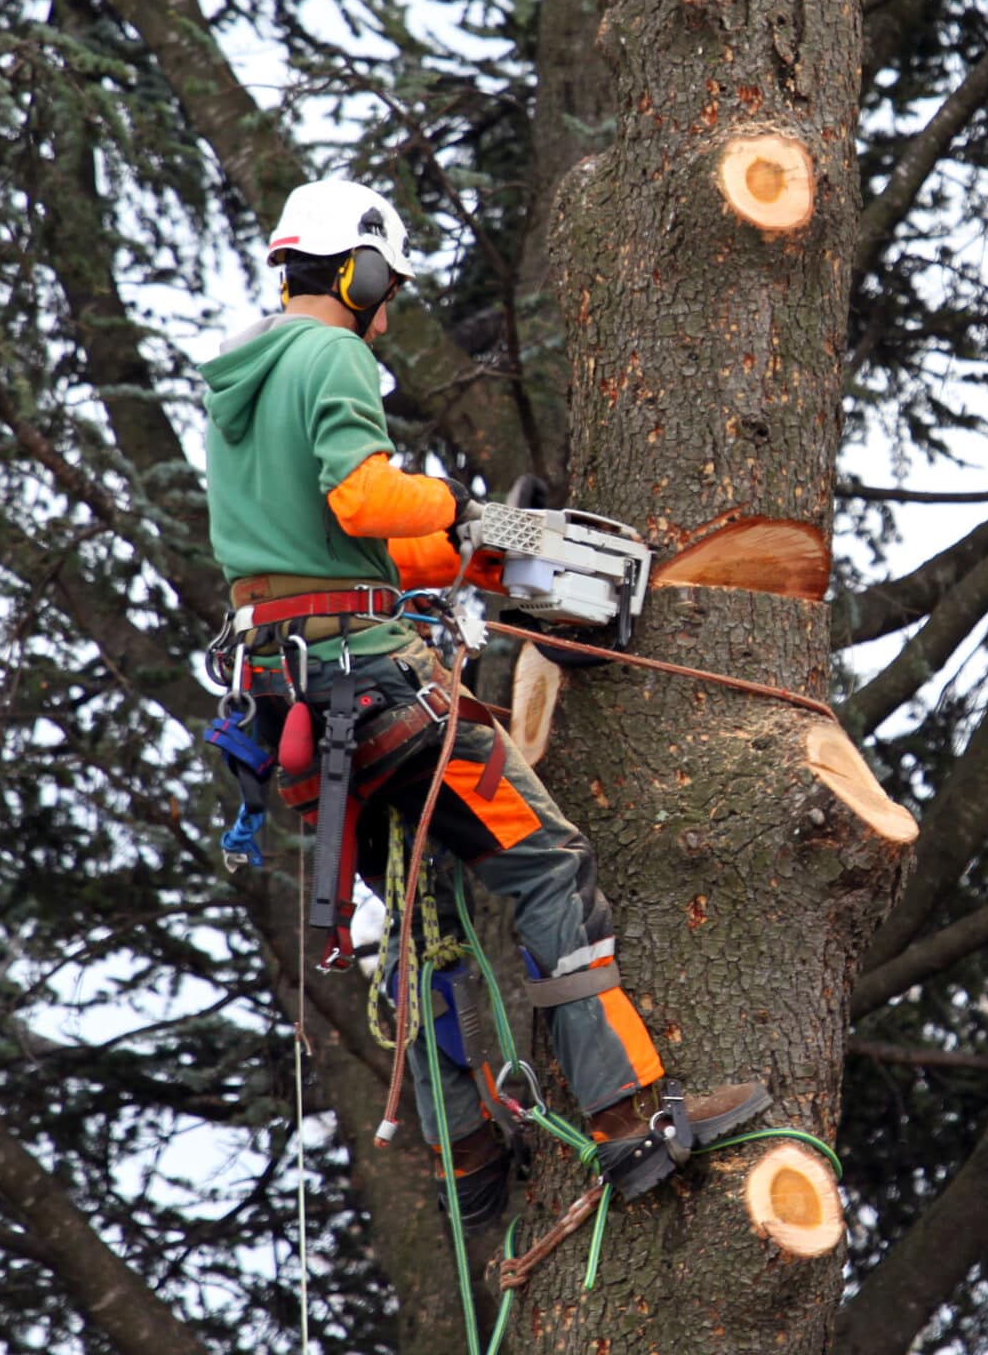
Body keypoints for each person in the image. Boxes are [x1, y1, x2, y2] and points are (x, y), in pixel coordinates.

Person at [197, 178, 768, 1225]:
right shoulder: (330, 353)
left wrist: (457, 551)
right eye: (386, 285)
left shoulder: (243, 381)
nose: (387, 306)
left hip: (295, 701)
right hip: (374, 688)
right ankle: (628, 1120)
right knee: (548, 866)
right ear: (359, 268)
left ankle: (465, 1153)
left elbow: (332, 545)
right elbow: (362, 495)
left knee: (424, 919)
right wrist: (460, 506)